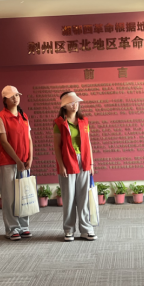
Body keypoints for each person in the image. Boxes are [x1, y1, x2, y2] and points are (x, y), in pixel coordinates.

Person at [53, 91, 97, 242]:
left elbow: (88, 142)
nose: (75, 105)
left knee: (84, 197)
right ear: (64, 106)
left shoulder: (84, 121)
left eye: (76, 102)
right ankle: (68, 230)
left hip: (84, 161)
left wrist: (91, 162)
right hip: (68, 162)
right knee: (69, 197)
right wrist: (61, 165)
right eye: (71, 102)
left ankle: (86, 229)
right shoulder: (59, 123)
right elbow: (57, 146)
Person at [0, 86, 33, 241]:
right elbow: (4, 142)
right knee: (9, 197)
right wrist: (17, 160)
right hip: (8, 162)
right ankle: (12, 228)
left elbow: (29, 138)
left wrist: (30, 158)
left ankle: (24, 226)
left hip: (24, 162)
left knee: (23, 194)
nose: (15, 98)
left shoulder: (24, 115)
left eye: (17, 95)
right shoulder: (1, 117)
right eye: (12, 96)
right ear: (5, 100)